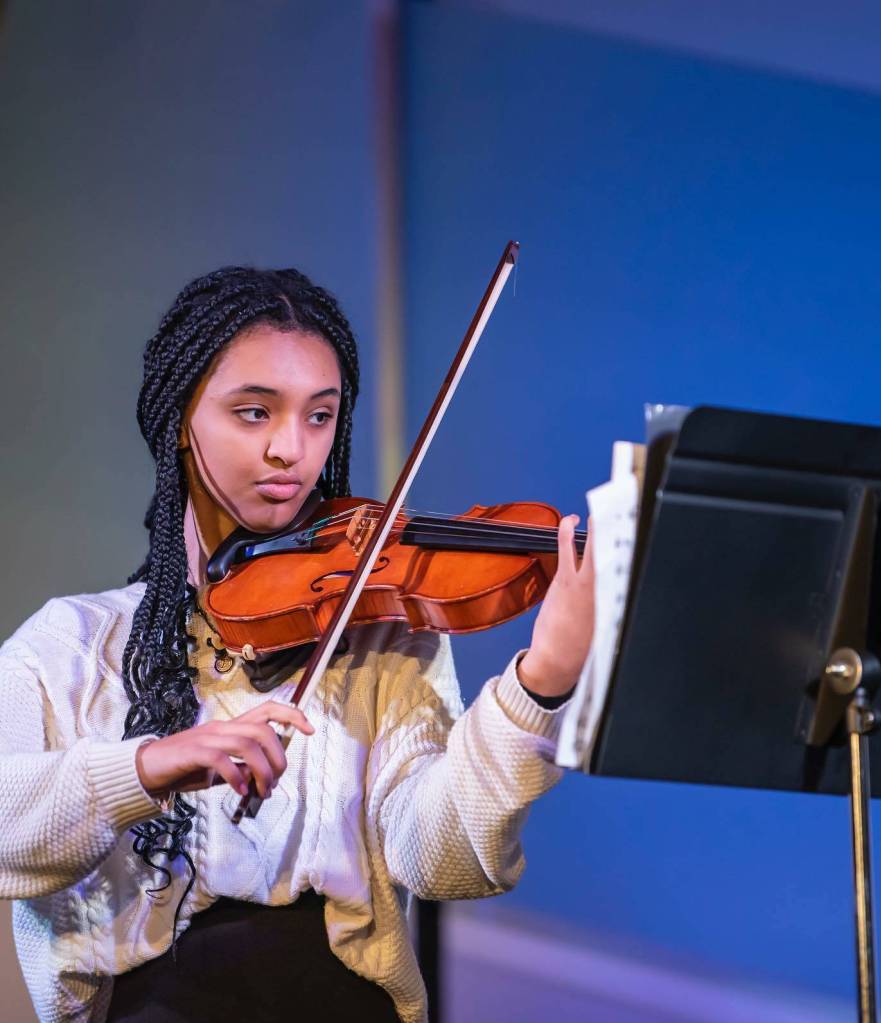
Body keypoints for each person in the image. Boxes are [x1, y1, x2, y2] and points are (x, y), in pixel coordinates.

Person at [0, 267, 594, 1023]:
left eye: (320, 416)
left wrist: (539, 683)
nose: (292, 449)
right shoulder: (73, 644)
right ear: (181, 419)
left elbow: (442, 862)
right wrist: (150, 764)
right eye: (254, 412)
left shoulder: (379, 635)